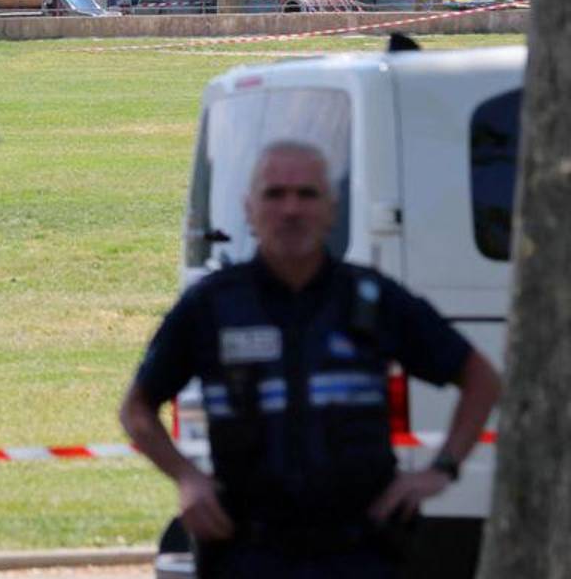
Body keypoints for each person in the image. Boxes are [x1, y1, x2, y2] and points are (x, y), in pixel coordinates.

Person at [119, 141, 501, 578]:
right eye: (275, 194)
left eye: (306, 194)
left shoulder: (371, 300)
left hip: (359, 553)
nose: (291, 209)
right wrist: (187, 478)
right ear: (249, 209)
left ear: (331, 210)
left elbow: (481, 380)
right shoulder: (212, 307)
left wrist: (441, 470)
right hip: (249, 551)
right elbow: (137, 409)